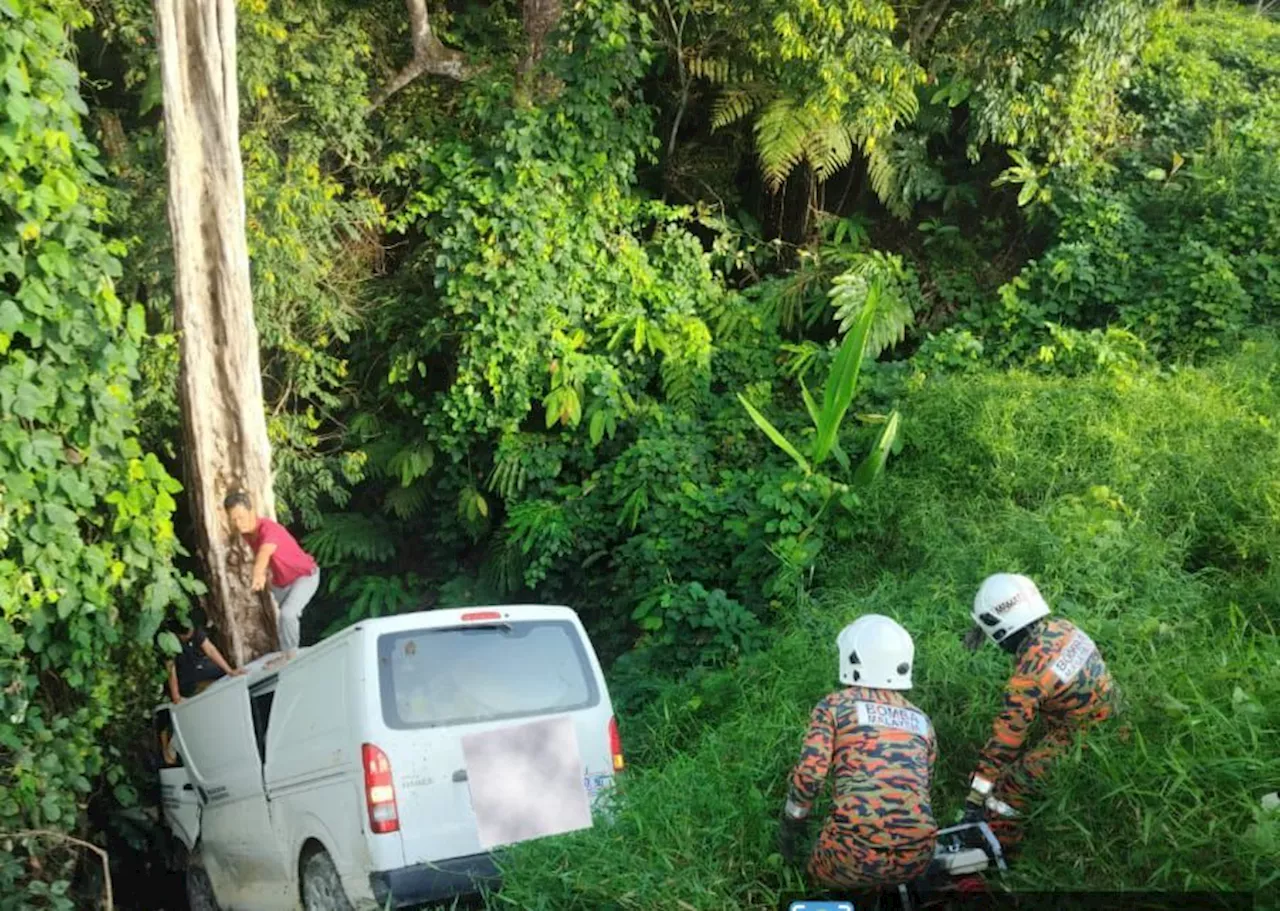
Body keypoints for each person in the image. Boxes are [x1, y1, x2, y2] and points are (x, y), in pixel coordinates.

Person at [779, 614, 940, 892]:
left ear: (854, 659)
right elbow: (925, 784)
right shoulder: (921, 720)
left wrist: (792, 821)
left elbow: (810, 775)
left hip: (850, 858)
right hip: (918, 858)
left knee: (808, 873)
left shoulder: (834, 707)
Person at [960, 573, 1115, 854]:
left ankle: (1000, 844)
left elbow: (1004, 742)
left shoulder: (1028, 678)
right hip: (1113, 712)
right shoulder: (1064, 628)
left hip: (1085, 733)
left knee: (1014, 782)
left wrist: (976, 796)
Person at [224, 491, 320, 667]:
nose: (238, 523)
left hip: (304, 576)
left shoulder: (269, 529)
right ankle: (287, 652)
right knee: (284, 621)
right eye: (233, 519)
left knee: (288, 614)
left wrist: (259, 572)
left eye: (241, 517)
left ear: (252, 511)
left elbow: (264, 552)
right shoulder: (247, 533)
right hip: (281, 584)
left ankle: (290, 657)